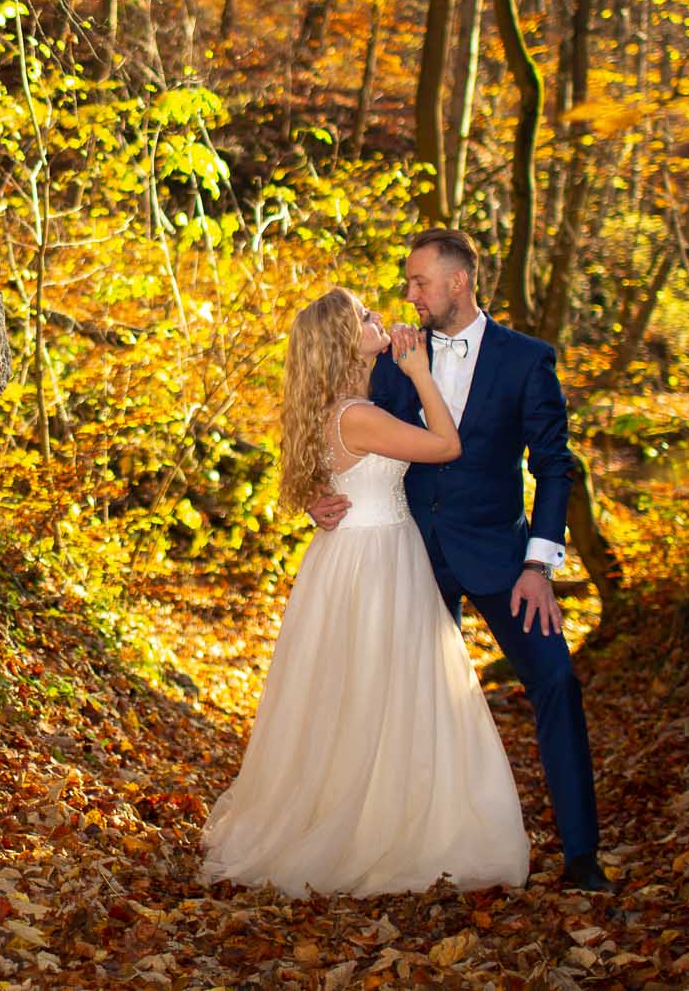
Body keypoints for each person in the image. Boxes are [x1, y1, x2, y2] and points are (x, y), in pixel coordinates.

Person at [200, 287, 530, 896]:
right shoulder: (357, 415)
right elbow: (447, 445)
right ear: (343, 342)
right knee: (382, 689)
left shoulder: (339, 409)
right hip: (377, 560)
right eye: (364, 317)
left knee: (360, 693)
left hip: (353, 557)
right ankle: (379, 830)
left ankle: (378, 813)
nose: (379, 317)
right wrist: (420, 371)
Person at [311, 228, 613, 894]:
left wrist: (539, 564)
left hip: (503, 557)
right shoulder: (388, 355)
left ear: (459, 281)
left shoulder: (527, 360)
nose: (409, 295)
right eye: (407, 283)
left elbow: (554, 465)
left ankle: (582, 855)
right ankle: (412, 846)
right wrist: (316, 496)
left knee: (557, 680)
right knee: (405, 703)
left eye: (419, 282)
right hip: (406, 556)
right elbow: (330, 424)